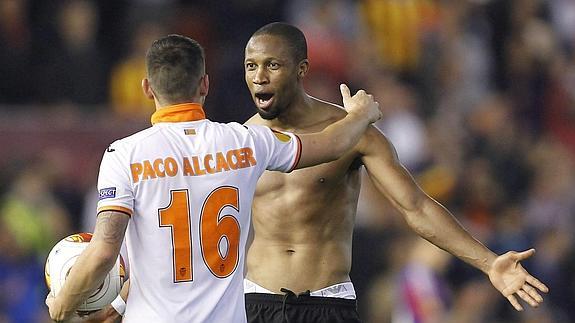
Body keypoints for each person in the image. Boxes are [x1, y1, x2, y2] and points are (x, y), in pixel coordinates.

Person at [89, 23, 549, 323]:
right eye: (251, 66)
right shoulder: (236, 144)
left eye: (272, 65)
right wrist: (125, 298)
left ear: (302, 69)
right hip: (251, 305)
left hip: (327, 302)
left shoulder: (350, 134)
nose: (259, 77)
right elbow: (186, 235)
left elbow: (415, 207)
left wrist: (489, 262)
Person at [44, 34, 382, 322]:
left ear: (147, 88)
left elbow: (104, 252)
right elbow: (332, 143)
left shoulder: (125, 155)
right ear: (205, 84)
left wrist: (62, 305)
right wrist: (360, 116)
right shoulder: (246, 142)